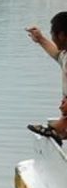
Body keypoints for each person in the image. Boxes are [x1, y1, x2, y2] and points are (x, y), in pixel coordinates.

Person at [26, 12, 67, 140]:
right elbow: (57, 54)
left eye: (52, 34)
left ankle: (58, 128)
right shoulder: (65, 55)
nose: (52, 37)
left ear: (61, 35)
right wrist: (40, 39)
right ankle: (59, 128)